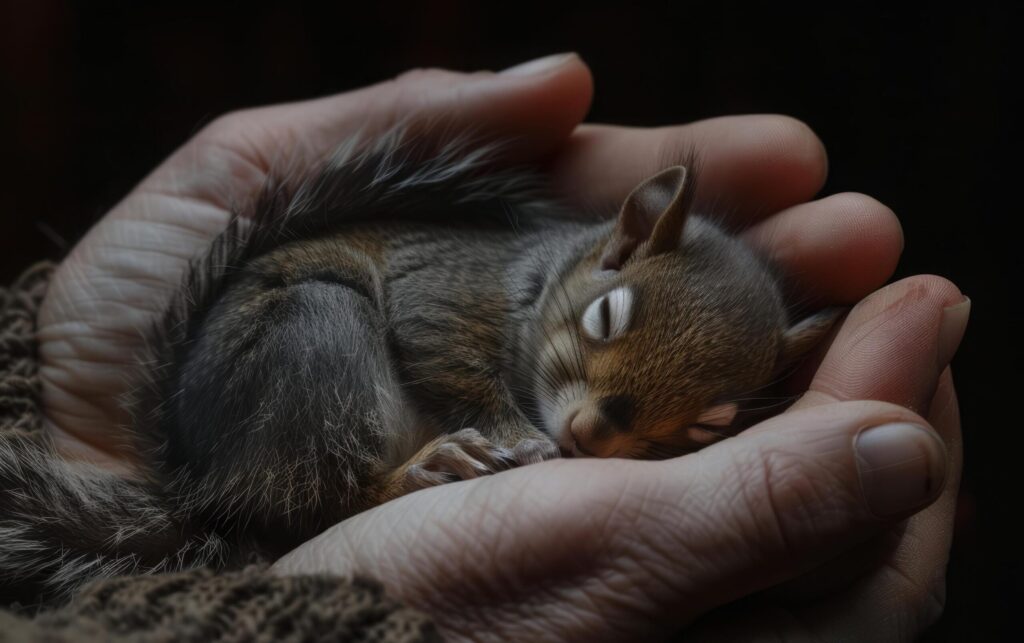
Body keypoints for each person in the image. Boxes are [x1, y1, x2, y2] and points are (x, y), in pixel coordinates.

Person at [0, 53, 967, 641]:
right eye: (602, 330)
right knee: (323, 307)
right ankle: (364, 484)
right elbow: (413, 324)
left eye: (694, 429)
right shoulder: (493, 286)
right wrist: (505, 420)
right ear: (627, 239)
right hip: (281, 375)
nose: (593, 427)